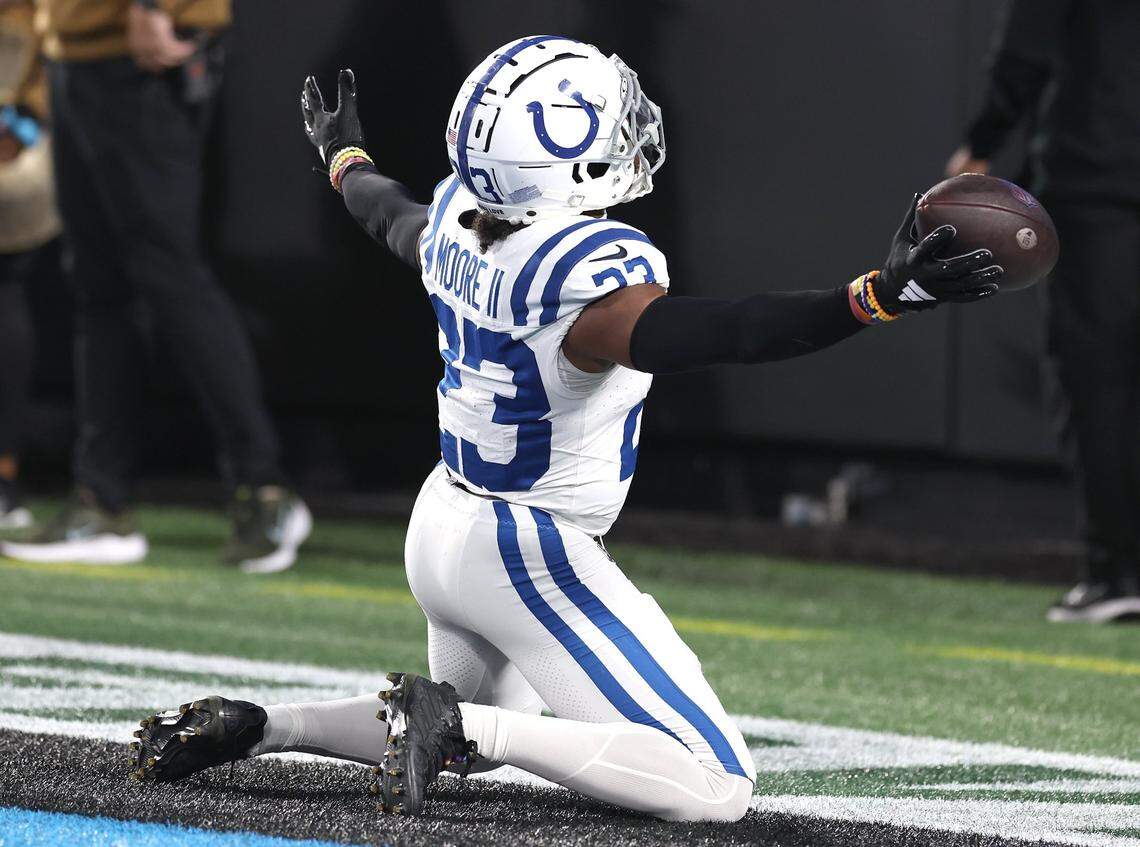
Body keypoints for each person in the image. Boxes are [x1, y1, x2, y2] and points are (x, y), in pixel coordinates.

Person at [128, 37, 1001, 821]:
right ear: (561, 162)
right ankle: (458, 726)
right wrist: (881, 295)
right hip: (526, 543)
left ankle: (264, 725)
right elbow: (726, 331)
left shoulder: (461, 220)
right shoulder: (585, 274)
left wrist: (341, 153)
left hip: (444, 522)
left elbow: (383, 210)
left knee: (439, 721)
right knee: (715, 783)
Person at [0, 0, 310, 572]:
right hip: (76, 57)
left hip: (141, 54)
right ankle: (103, 500)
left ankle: (265, 489)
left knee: (171, 277)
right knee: (99, 290)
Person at [946, 0, 1140, 623]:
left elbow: (1028, 47)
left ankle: (1117, 573)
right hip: (1101, 175)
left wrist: (983, 140)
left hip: (1099, 174)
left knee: (1098, 380)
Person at [0, 0, 59, 530]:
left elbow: (51, 55)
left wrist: (16, 125)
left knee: (6, 297)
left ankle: (3, 475)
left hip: (19, 158)